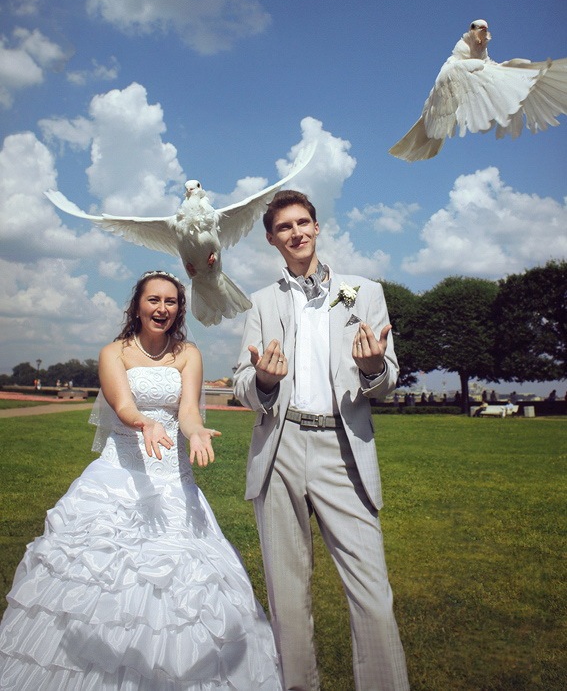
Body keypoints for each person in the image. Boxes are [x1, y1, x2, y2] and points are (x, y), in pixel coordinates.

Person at [0, 270, 282, 690]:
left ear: (179, 309)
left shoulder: (188, 354)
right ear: (137, 306)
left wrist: (195, 431)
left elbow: (188, 410)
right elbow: (123, 405)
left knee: (186, 584)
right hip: (118, 477)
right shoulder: (113, 353)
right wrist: (145, 423)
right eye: (153, 300)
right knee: (98, 579)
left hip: (174, 482)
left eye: (171, 301)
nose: (162, 308)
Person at [233, 191, 410, 691]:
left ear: (316, 227)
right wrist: (263, 381)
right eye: (284, 227)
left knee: (373, 595)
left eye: (303, 222)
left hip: (343, 448)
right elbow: (243, 382)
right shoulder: (261, 302)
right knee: (287, 600)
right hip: (280, 448)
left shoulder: (364, 292)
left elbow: (387, 377)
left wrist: (372, 367)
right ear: (272, 239)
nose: (296, 232)